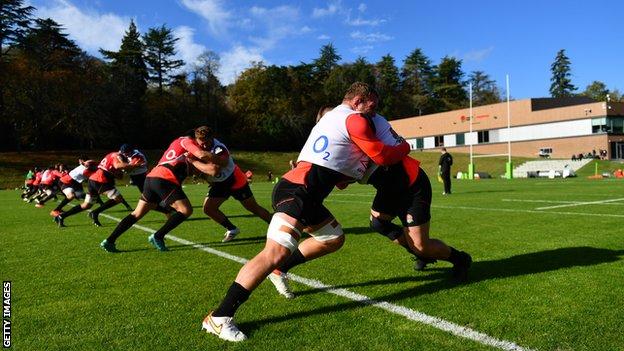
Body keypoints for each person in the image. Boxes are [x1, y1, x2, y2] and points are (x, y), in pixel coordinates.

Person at [201, 82, 410, 342]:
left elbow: (338, 172)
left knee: (332, 239)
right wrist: (405, 147)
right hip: (298, 190)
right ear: (358, 101)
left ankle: (280, 270)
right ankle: (220, 317)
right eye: (372, 106)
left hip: (306, 192)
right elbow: (384, 156)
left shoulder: (331, 118)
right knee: (275, 251)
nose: (374, 112)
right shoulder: (355, 120)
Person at [100, 126, 222, 252]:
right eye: (200, 141)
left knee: (137, 213)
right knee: (185, 210)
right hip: (165, 178)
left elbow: (187, 167)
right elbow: (201, 155)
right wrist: (220, 159)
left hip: (151, 178)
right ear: (193, 138)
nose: (202, 144)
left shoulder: (176, 143)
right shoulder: (187, 142)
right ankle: (158, 236)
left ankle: (109, 241)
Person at [201, 136, 272, 242]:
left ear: (211, 138)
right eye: (201, 142)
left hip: (235, 180)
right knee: (208, 208)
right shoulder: (199, 148)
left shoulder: (219, 147)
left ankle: (277, 227)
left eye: (206, 141)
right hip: (221, 183)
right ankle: (232, 229)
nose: (204, 144)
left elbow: (215, 169)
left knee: (253, 207)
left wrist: (194, 162)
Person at [54, 150, 133, 227]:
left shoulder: (111, 156)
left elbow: (118, 175)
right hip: (100, 180)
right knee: (118, 198)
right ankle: (95, 212)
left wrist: (121, 172)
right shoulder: (116, 156)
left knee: (86, 205)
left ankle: (62, 216)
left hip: (94, 180)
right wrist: (134, 166)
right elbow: (117, 166)